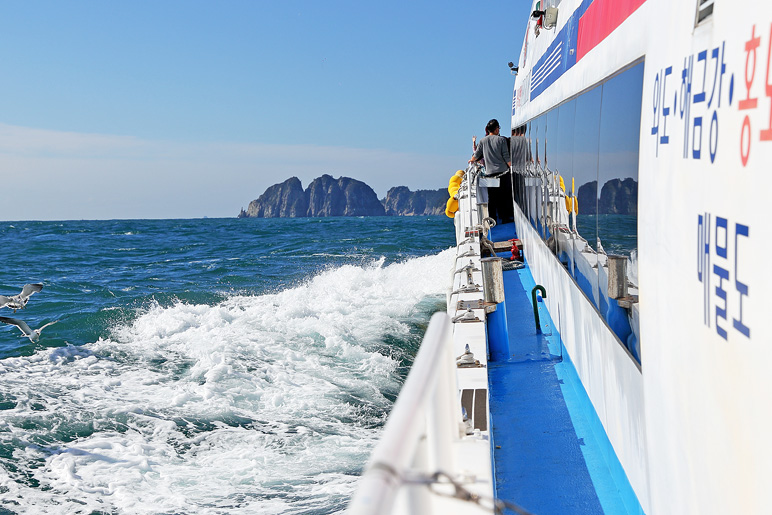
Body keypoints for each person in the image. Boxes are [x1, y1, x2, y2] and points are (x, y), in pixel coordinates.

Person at [469, 119, 511, 221]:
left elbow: (477, 154)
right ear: (496, 129)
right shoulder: (501, 140)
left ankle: (492, 219)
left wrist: (472, 160)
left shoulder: (483, 141)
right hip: (503, 173)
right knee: (504, 197)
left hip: (490, 173)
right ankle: (504, 218)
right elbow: (506, 156)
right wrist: (511, 166)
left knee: (492, 198)